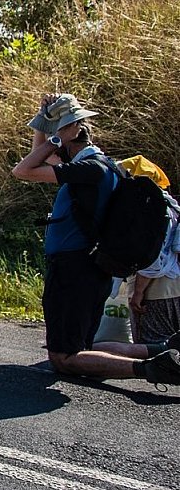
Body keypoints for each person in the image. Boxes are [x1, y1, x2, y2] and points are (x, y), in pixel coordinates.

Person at [11, 94, 180, 383]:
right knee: (84, 348)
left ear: (70, 136)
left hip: (75, 269)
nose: (52, 146)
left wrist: (58, 137)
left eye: (58, 137)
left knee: (64, 358)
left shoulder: (91, 169)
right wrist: (45, 121)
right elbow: (40, 156)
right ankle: (162, 350)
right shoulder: (101, 166)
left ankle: (150, 369)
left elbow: (23, 170)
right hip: (90, 267)